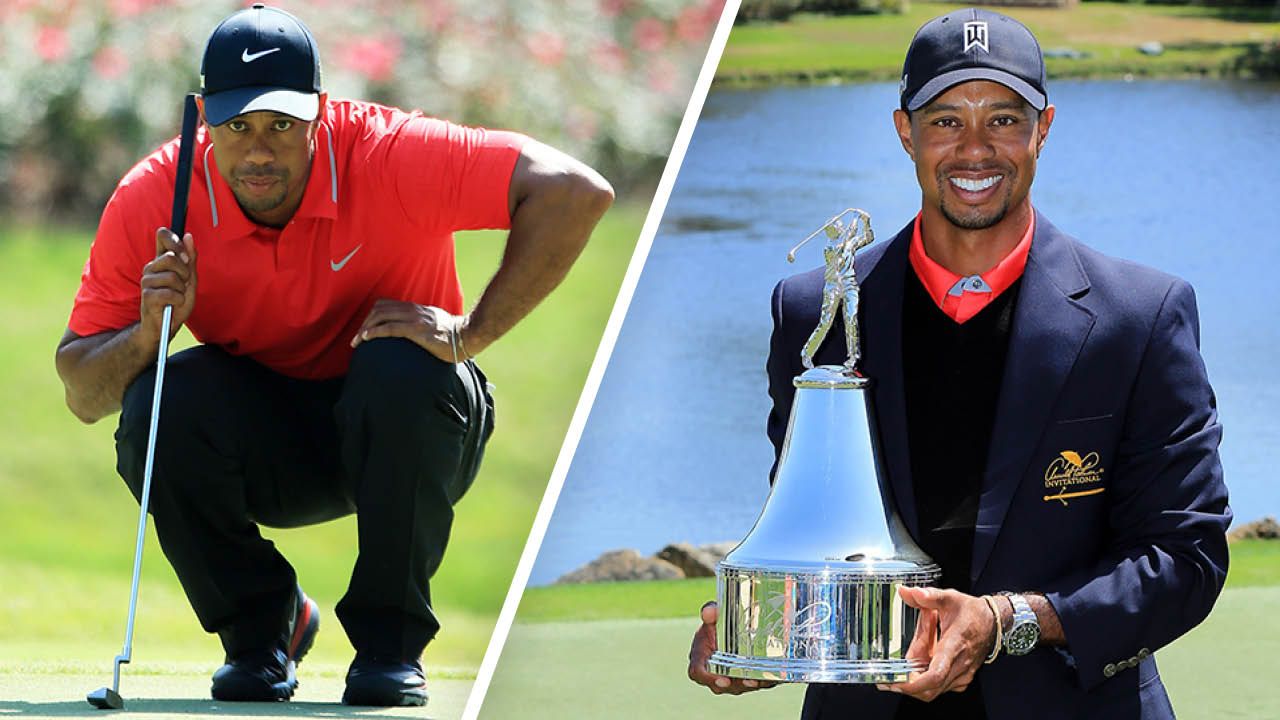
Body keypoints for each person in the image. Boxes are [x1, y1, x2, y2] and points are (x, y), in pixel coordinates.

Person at [56, 4, 613, 708]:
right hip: (271, 447)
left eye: (282, 126)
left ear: (321, 112)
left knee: (399, 365)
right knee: (161, 398)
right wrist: (148, 335)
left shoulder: (389, 153)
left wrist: (469, 335)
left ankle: (389, 646)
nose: (259, 150)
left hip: (411, 427)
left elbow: (575, 192)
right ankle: (263, 633)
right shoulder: (156, 199)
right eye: (238, 127)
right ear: (203, 120)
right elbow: (82, 393)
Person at [687, 8, 1229, 719]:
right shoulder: (810, 313)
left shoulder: (1142, 315)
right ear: (904, 131)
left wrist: (1009, 621)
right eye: (945, 120)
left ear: (1044, 127)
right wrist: (763, 631)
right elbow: (821, 533)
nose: (975, 148)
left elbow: (1185, 558)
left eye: (1004, 119)